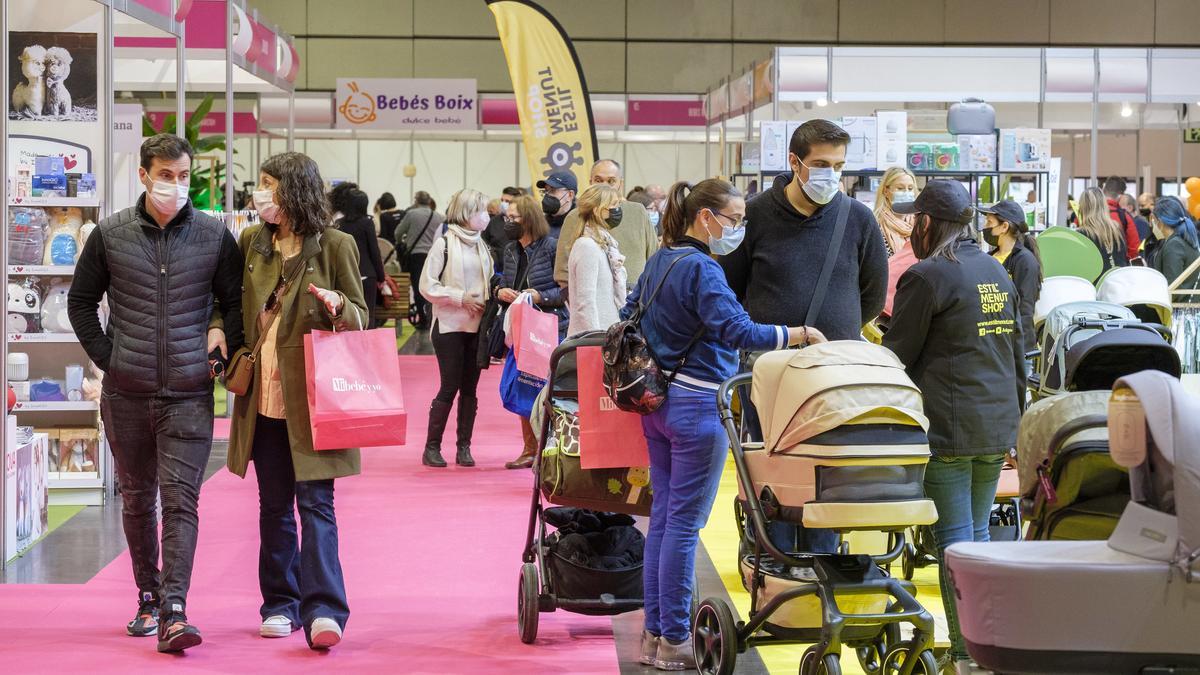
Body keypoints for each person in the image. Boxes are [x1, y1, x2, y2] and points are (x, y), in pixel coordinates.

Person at [624, 178, 824, 670]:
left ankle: (655, 635)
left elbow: (629, 314)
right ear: (706, 217)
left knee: (666, 520)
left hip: (658, 405)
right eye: (733, 219)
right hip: (698, 409)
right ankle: (674, 636)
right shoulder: (704, 271)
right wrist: (796, 333)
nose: (737, 228)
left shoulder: (660, 261)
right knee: (685, 526)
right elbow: (738, 330)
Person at [67, 134, 245, 653]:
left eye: (183, 175)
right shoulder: (111, 233)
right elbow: (81, 302)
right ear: (144, 175)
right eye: (165, 175)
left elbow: (233, 303)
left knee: (182, 501)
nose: (175, 185)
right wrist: (109, 358)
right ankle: (147, 593)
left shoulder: (213, 236)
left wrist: (217, 354)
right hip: (126, 393)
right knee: (139, 498)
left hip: (190, 393)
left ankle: (174, 608)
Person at [220, 152, 368, 651]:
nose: (259, 195)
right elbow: (230, 307)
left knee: (317, 503)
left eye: (268, 185)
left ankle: (325, 608)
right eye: (260, 185)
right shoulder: (251, 244)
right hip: (262, 395)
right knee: (274, 504)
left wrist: (338, 306)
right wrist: (220, 334)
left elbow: (361, 316)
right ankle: (279, 603)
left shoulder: (337, 245)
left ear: (294, 191)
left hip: (315, 397)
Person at [720, 119, 889, 554]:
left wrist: (836, 331)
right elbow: (729, 291)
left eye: (838, 164)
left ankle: (820, 567)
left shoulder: (857, 218)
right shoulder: (755, 214)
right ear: (794, 162)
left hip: (833, 376)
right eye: (820, 163)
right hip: (767, 374)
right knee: (771, 475)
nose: (831, 174)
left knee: (826, 474)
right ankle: (774, 568)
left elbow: (871, 294)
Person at [883, 180, 1025, 675]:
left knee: (955, 543)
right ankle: (989, 648)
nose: (908, 229)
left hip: (948, 428)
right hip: (995, 424)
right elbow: (1015, 353)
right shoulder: (995, 270)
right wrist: (1017, 424)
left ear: (927, 222)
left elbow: (897, 355)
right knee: (979, 537)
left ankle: (965, 655)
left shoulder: (926, 276)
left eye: (913, 220)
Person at [420, 189, 494, 468]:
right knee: (449, 386)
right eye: (480, 210)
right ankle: (432, 446)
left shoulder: (482, 245)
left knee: (470, 389)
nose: (485, 216)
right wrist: (460, 298)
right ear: (466, 213)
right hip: (449, 325)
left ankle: (464, 446)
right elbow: (427, 286)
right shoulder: (444, 244)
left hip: (476, 327)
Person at [496, 195, 567, 469]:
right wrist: (499, 291)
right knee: (518, 386)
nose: (509, 222)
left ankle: (547, 450)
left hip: (548, 328)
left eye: (514, 217)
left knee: (544, 390)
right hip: (520, 327)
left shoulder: (551, 247)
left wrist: (539, 296)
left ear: (529, 219)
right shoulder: (511, 249)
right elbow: (504, 280)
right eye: (507, 217)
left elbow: (563, 291)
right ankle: (530, 448)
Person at [554, 160, 659, 290]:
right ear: (590, 182)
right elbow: (563, 271)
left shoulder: (638, 212)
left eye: (611, 181)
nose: (605, 186)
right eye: (598, 180)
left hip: (636, 300)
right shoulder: (575, 216)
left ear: (620, 184)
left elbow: (655, 258)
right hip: (593, 300)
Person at [979, 199, 1043, 358]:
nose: (985, 226)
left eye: (989, 222)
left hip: (1016, 349)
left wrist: (1016, 348)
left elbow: (1025, 308)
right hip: (991, 345)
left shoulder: (1025, 261)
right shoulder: (988, 258)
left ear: (1004, 227)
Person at [566, 184, 627, 336]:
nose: (617, 209)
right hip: (592, 339)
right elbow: (585, 302)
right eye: (613, 205)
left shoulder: (605, 245)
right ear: (597, 210)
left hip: (606, 334)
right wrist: (595, 338)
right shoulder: (587, 246)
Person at [335, 189, 387, 326]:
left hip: (346, 275)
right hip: (367, 274)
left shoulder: (339, 224)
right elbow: (374, 252)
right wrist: (381, 277)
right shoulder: (367, 223)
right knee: (368, 313)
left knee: (348, 314)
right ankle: (367, 346)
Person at [393, 191, 444, 329]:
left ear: (416, 200)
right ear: (429, 201)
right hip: (435, 256)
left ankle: (423, 319)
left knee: (418, 288)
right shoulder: (439, 216)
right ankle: (433, 318)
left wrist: (402, 242)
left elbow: (398, 233)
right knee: (434, 287)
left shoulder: (411, 214)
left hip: (416, 256)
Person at [1150, 196, 1200, 288]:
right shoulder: (1180, 240)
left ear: (1160, 222)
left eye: (1152, 220)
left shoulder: (1174, 244)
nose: (1151, 225)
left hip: (1176, 302)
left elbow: (1172, 287)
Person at [1078, 187, 1129, 273]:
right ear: (1104, 205)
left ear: (1082, 208)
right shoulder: (1116, 228)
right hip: (1118, 280)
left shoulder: (1082, 234)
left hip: (1095, 284)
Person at [873, 166, 918, 257]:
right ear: (886, 191)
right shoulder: (876, 225)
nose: (906, 193)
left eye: (910, 188)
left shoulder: (920, 223)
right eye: (900, 188)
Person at [483, 186, 523, 268]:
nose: (503, 203)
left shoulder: (522, 222)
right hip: (497, 270)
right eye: (502, 200)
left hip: (518, 268)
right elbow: (484, 242)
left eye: (507, 201)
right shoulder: (493, 221)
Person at [1102, 175, 1140, 261]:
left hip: (1091, 267)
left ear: (1103, 190)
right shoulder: (1124, 217)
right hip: (1117, 268)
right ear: (1120, 195)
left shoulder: (1087, 212)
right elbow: (1134, 249)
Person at [538, 171, 577, 237]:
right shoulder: (539, 224)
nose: (547, 195)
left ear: (570, 195)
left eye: (553, 190)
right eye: (546, 191)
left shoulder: (580, 226)